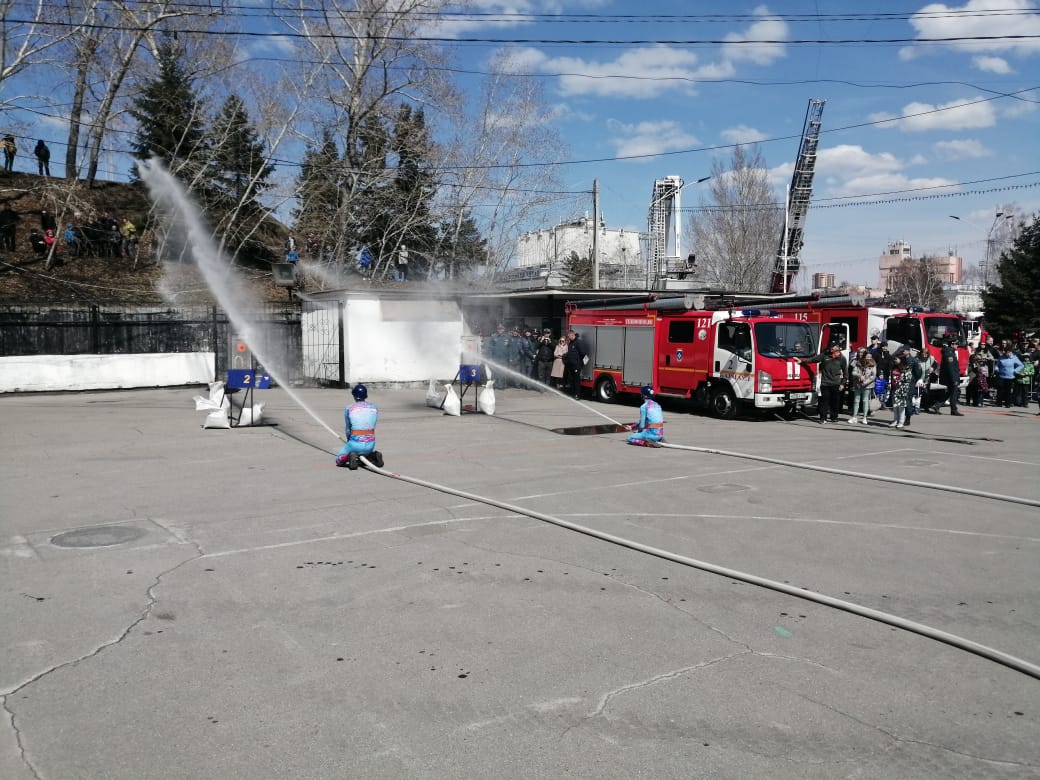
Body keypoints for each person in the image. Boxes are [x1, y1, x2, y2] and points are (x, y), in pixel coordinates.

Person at [796, 341, 847, 424]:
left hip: (836, 383)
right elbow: (813, 359)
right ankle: (823, 418)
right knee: (824, 401)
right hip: (825, 383)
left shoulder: (841, 358)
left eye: (833, 347)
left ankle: (834, 417)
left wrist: (843, 383)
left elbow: (845, 372)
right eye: (830, 346)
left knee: (835, 401)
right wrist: (802, 362)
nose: (831, 348)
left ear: (837, 348)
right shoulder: (824, 355)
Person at [335, 384, 383, 470]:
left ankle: (350, 456)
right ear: (365, 396)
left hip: (355, 444)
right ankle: (374, 455)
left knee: (339, 459)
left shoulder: (349, 408)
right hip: (371, 444)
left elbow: (348, 429)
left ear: (354, 396)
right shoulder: (374, 407)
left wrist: (349, 441)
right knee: (364, 455)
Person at [934, 333, 963, 415]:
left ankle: (937, 405)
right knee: (954, 393)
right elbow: (950, 368)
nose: (958, 345)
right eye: (957, 343)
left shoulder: (951, 352)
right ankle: (954, 410)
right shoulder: (949, 353)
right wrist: (954, 379)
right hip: (951, 377)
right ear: (952, 344)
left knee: (950, 392)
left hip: (951, 376)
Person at [848, 348, 876, 424]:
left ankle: (864, 417)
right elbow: (853, 372)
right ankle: (854, 417)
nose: (868, 358)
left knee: (865, 400)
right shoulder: (858, 362)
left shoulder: (873, 364)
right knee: (856, 400)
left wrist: (865, 382)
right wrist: (859, 376)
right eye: (866, 356)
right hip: (858, 384)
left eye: (869, 357)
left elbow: (873, 376)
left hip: (867, 385)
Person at [889, 354, 914, 428]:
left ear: (901, 359)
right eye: (894, 359)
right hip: (894, 389)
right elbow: (891, 377)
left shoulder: (907, 368)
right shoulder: (894, 367)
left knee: (901, 406)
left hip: (902, 390)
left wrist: (900, 383)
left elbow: (908, 379)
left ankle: (901, 421)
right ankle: (895, 420)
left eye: (896, 359)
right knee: (895, 406)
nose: (894, 360)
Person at [563, 330, 586, 399]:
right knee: (571, 379)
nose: (568, 337)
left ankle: (577, 394)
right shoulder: (571, 343)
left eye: (568, 336)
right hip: (570, 365)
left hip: (576, 365)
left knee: (576, 380)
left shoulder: (578, 342)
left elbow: (583, 353)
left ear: (572, 335)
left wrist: (580, 364)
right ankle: (572, 393)